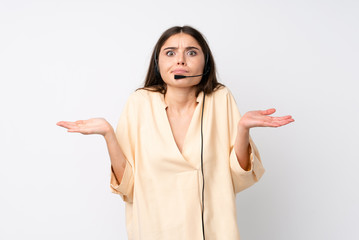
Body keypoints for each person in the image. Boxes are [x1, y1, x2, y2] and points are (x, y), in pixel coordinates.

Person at [57, 25, 294, 240]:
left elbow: (238, 178)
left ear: (206, 63)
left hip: (213, 232)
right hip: (154, 230)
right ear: (158, 64)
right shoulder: (140, 102)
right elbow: (127, 186)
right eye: (170, 53)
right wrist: (108, 134)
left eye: (191, 52)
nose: (180, 60)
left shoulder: (220, 99)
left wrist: (243, 129)